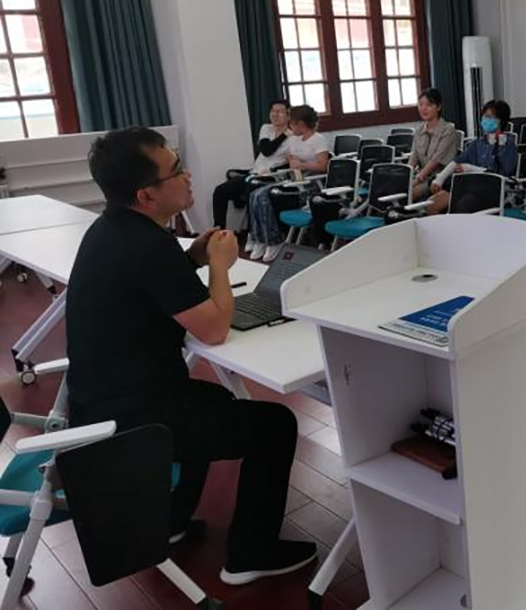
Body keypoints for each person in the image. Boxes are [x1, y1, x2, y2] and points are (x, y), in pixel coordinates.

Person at [65, 128, 315, 586]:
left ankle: (171, 521)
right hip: (135, 423)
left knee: (212, 402)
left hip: (101, 403)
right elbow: (215, 330)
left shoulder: (112, 229)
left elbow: (156, 286)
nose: (188, 176)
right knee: (276, 424)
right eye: (176, 170)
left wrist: (195, 259)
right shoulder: (148, 246)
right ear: (146, 195)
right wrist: (219, 264)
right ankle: (250, 553)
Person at [247, 105, 329, 262]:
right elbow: (290, 161)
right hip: (294, 180)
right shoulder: (293, 140)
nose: (289, 126)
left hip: (311, 183)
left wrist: (301, 165)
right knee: (255, 194)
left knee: (265, 197)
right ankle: (260, 238)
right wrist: (292, 162)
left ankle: (274, 240)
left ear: (301, 124)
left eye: (291, 123)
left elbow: (323, 166)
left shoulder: (318, 139)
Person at [212, 99, 291, 235]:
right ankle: (218, 232)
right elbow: (266, 150)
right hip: (254, 173)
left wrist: (272, 170)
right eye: (273, 111)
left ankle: (252, 234)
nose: (275, 114)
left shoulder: (293, 138)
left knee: (251, 193)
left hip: (271, 177)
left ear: (288, 115)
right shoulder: (266, 128)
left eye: (280, 111)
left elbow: (289, 163)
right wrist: (283, 135)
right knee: (220, 191)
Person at [427, 100, 518, 215]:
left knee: (462, 206)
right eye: (485, 116)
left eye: (490, 117)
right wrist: (440, 179)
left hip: (491, 191)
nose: (486, 120)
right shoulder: (477, 144)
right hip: (470, 186)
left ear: (501, 120)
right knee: (431, 204)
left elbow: (499, 176)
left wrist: (469, 168)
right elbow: (458, 160)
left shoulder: (507, 145)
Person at [409, 88, 459, 201]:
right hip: (421, 176)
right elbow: (414, 156)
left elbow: (436, 160)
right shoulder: (419, 130)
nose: (424, 108)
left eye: (429, 105)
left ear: (438, 107)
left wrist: (416, 180)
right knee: (396, 189)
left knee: (409, 193)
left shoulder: (448, 130)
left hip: (439, 179)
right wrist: (407, 176)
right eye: (421, 104)